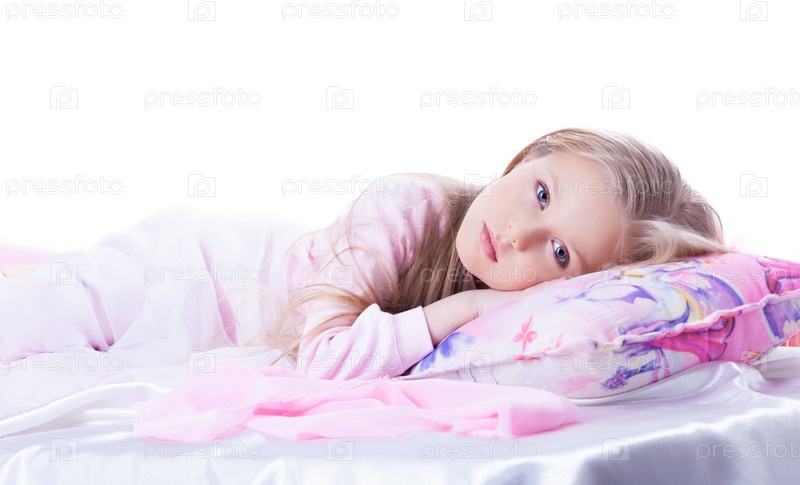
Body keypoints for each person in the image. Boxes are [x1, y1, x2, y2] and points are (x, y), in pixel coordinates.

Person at [0, 128, 728, 381]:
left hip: (235, 321)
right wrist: (462, 306)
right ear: (527, 156)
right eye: (540, 194)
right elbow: (322, 358)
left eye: (560, 251)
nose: (515, 235)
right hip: (197, 269)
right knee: (35, 322)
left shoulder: (521, 319)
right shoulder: (409, 205)